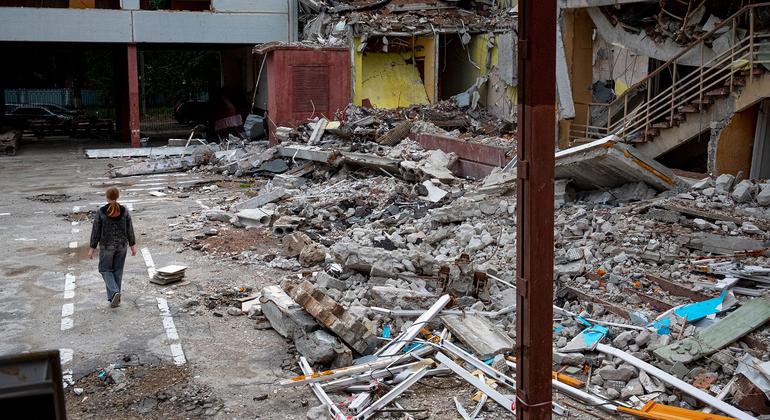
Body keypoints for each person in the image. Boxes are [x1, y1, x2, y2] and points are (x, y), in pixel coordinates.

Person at [88, 187, 136, 308]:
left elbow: (96, 232)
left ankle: (114, 292)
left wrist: (92, 248)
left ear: (107, 197)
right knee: (117, 271)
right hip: (122, 245)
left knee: (104, 270)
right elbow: (130, 228)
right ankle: (114, 299)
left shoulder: (101, 212)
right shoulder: (124, 210)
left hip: (106, 246)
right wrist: (132, 245)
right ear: (118, 196)